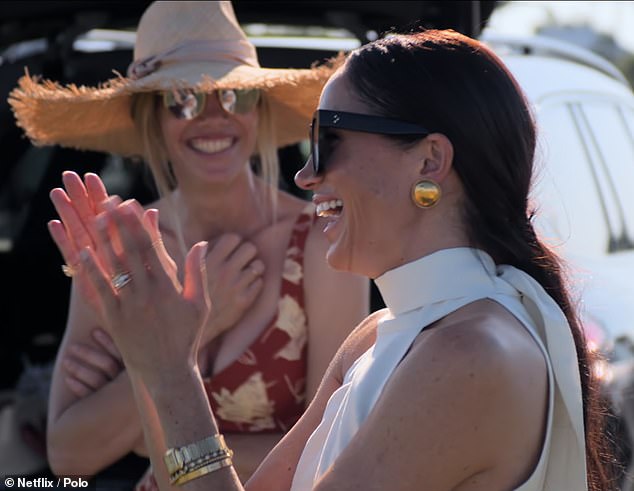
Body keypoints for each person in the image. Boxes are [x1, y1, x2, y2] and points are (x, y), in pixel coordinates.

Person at [44, 28, 615, 491]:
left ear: (429, 161)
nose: (305, 173)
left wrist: (168, 370)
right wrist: (155, 360)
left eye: (328, 138)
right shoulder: (379, 334)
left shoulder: (473, 352)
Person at [8, 1, 369, 488]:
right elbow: (69, 456)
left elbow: (331, 445)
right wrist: (198, 332)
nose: (214, 117)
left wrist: (147, 425)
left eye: (235, 96)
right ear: (151, 119)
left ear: (258, 111)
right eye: (183, 98)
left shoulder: (322, 241)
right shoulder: (119, 248)